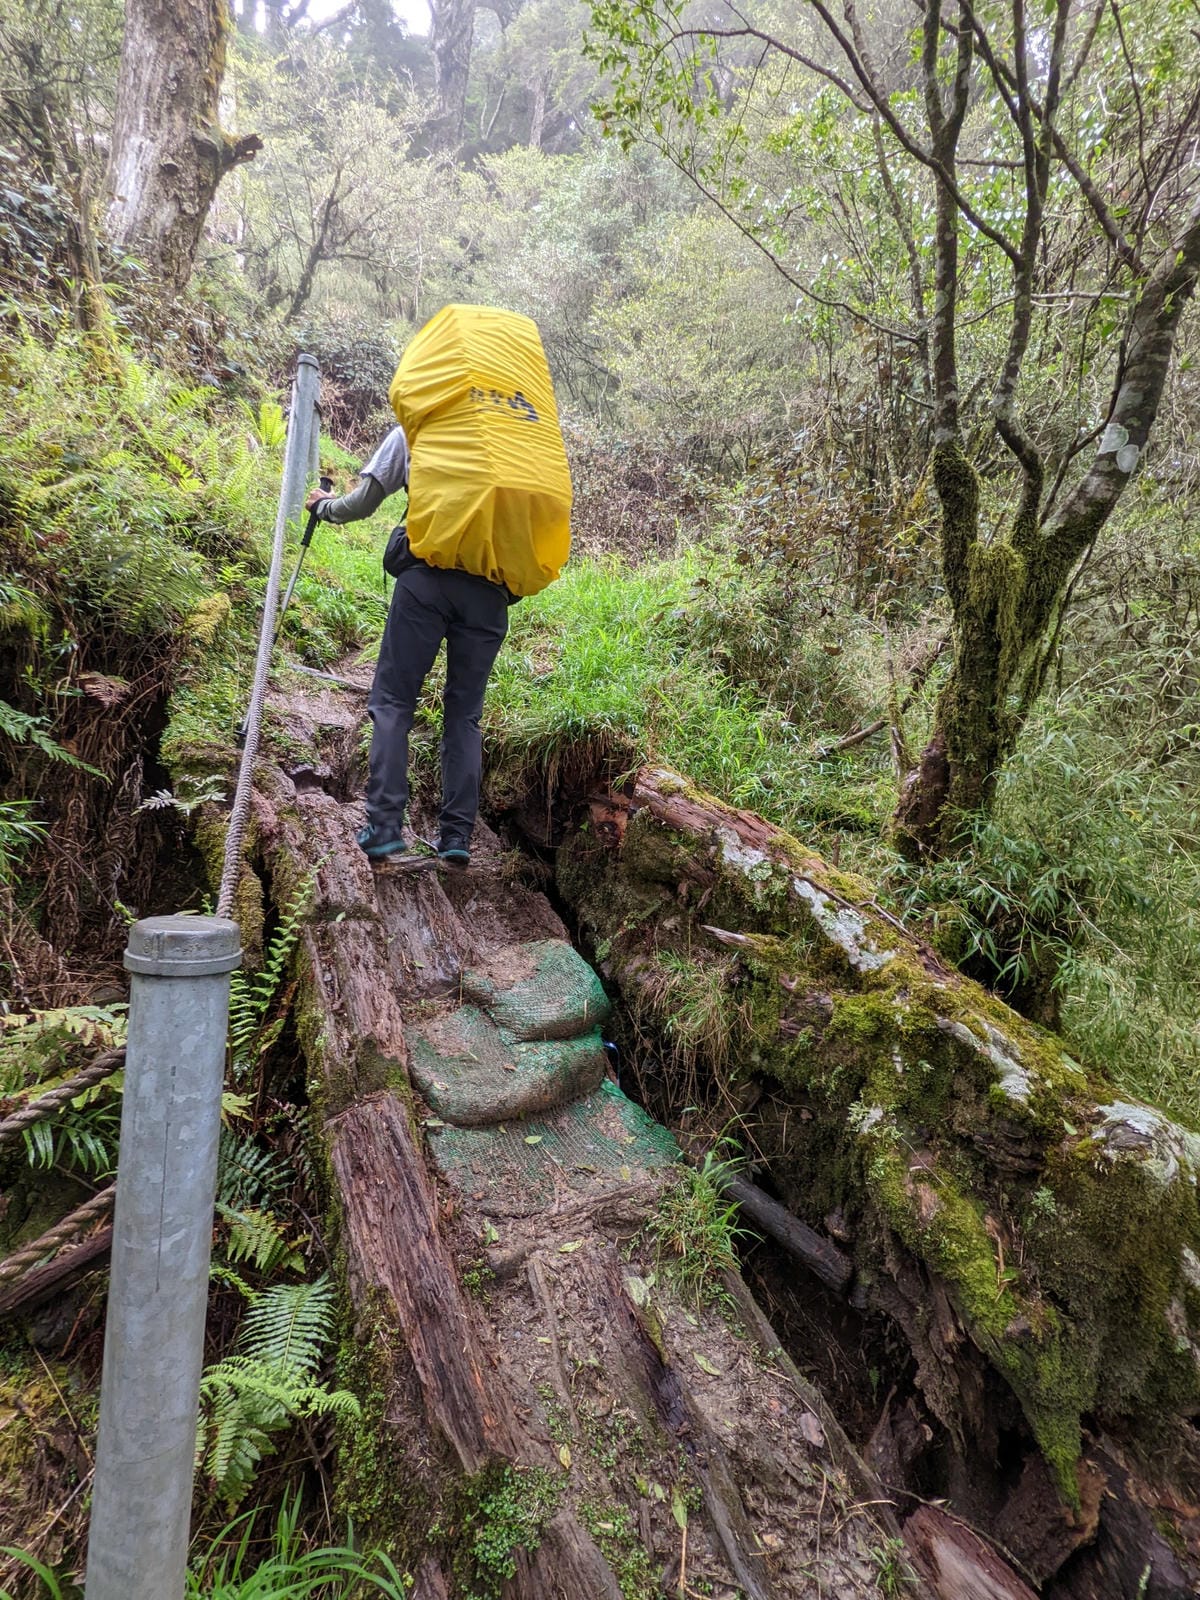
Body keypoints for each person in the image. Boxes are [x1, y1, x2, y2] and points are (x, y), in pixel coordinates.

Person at [305, 424, 510, 871]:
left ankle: (383, 827)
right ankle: (456, 836)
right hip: (490, 597)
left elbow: (362, 503)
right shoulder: (513, 437)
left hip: (427, 579)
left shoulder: (421, 426)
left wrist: (325, 509)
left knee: (395, 700)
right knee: (465, 714)